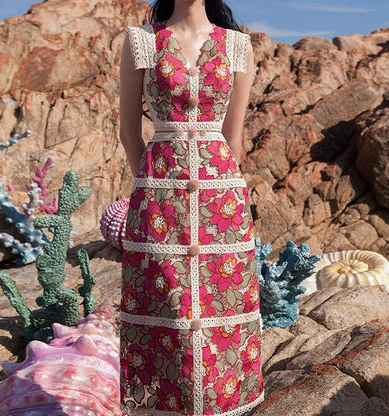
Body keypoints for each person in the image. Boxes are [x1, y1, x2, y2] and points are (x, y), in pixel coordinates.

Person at [118, 0, 264, 414]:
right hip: (158, 199)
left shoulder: (237, 45)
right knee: (166, 306)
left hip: (222, 201)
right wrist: (149, 189)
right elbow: (130, 132)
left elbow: (233, 139)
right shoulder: (141, 40)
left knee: (225, 307)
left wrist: (236, 200)